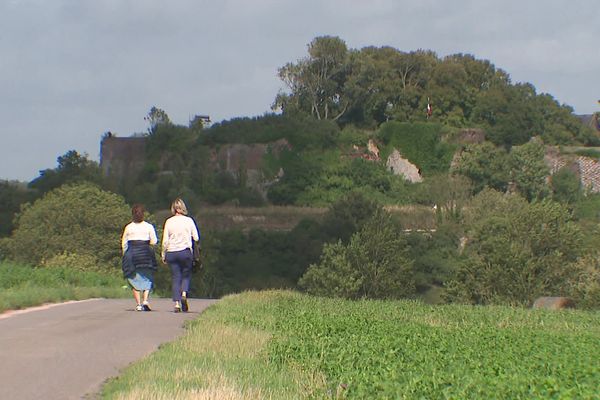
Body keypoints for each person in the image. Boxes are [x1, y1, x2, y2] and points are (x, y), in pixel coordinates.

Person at [161, 198, 200, 313]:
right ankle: (184, 294)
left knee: (176, 277)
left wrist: (163, 254)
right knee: (186, 275)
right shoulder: (189, 221)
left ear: (173, 209)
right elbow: (196, 237)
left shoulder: (169, 221)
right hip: (185, 252)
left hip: (172, 252)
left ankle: (177, 304)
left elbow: (165, 241)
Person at [121, 204, 158, 311]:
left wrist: (125, 255)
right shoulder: (149, 226)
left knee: (133, 278)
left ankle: (138, 304)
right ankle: (145, 300)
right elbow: (154, 241)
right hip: (146, 253)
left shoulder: (128, 227)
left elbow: (124, 243)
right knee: (148, 277)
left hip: (132, 254)